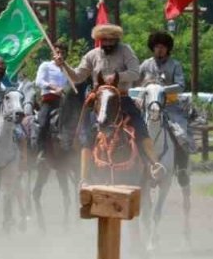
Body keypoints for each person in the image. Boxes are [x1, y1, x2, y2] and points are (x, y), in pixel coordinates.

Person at [52, 23, 161, 182]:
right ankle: (84, 178)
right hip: (99, 101)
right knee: (87, 136)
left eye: (111, 40)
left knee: (140, 128)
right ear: (99, 40)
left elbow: (135, 73)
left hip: (122, 98)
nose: (108, 43)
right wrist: (63, 65)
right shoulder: (92, 55)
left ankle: (154, 165)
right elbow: (77, 76)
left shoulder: (126, 51)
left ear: (117, 40)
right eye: (105, 40)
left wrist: (118, 77)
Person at [138, 32, 195, 187]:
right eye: (157, 46)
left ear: (168, 48)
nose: (160, 49)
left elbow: (181, 85)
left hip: (170, 107)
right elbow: (134, 80)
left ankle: (182, 169)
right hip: (148, 107)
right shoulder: (145, 65)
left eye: (163, 47)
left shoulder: (175, 65)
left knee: (181, 135)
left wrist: (162, 89)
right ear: (152, 48)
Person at [33, 54, 72, 161]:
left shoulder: (67, 69)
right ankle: (41, 151)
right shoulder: (45, 65)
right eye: (57, 52)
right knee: (42, 124)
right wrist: (52, 87)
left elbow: (70, 84)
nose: (59, 56)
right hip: (48, 101)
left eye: (62, 53)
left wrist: (65, 89)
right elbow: (38, 81)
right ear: (53, 54)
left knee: (76, 119)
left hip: (63, 101)